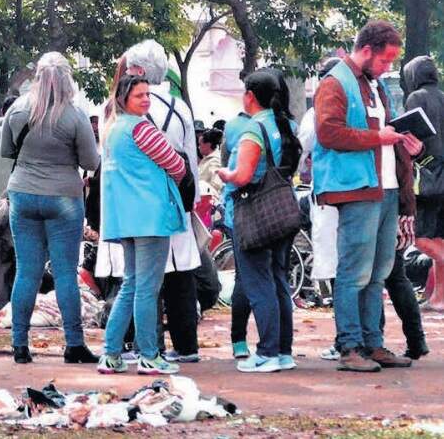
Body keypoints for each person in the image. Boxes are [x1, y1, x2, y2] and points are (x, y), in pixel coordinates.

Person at [314, 20, 421, 372]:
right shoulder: (335, 83)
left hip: (385, 188)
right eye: (385, 59)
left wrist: (407, 143)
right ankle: (349, 346)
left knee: (378, 273)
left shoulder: (375, 85)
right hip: (357, 188)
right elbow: (328, 132)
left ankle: (373, 343)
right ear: (366, 50)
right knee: (354, 272)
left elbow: (387, 131)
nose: (388, 67)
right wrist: (379, 138)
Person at [2, 53, 101, 365]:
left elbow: (7, 150)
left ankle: (20, 345)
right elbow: (91, 161)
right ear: (67, 78)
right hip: (63, 198)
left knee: (26, 271)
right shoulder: (74, 115)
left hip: (22, 194)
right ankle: (74, 344)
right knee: (65, 273)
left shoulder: (18, 109)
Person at [97, 75, 189, 376]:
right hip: (151, 217)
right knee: (147, 288)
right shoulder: (142, 128)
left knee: (131, 285)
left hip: (124, 217)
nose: (146, 100)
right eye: (139, 95)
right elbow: (176, 165)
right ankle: (149, 355)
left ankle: (111, 353)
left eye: (147, 94)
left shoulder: (111, 130)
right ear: (124, 99)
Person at [216, 70, 303, 373]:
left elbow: (242, 176)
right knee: (278, 281)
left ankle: (267, 352)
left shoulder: (254, 129)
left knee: (258, 283)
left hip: (255, 214)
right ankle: (283, 351)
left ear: (250, 96)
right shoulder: (287, 124)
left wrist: (224, 174)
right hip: (283, 211)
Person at [122, 41, 203, 364]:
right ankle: (187, 345)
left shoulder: (132, 108)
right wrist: (193, 200)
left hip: (144, 201)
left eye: (130, 70)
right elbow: (191, 159)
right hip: (178, 198)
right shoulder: (180, 108)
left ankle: (149, 346)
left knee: (146, 278)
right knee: (181, 271)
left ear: (140, 72)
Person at [404, 55, 444, 313]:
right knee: (440, 237)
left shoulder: (415, 98)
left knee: (418, 237)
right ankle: (439, 298)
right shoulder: (442, 96)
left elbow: (412, 139)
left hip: (428, 175)